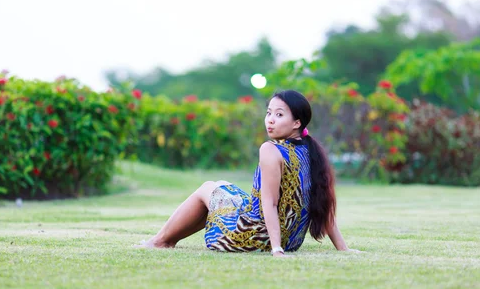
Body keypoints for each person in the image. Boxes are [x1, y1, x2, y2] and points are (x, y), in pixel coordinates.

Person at [137, 89, 359, 257]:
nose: (270, 120)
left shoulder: (271, 150)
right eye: (269, 113)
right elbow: (323, 201)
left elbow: (270, 203)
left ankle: (160, 241)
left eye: (279, 114)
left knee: (207, 188)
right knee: (220, 185)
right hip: (292, 239)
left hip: (252, 236)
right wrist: (343, 249)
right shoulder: (311, 150)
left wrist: (276, 249)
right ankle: (166, 240)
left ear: (296, 122)